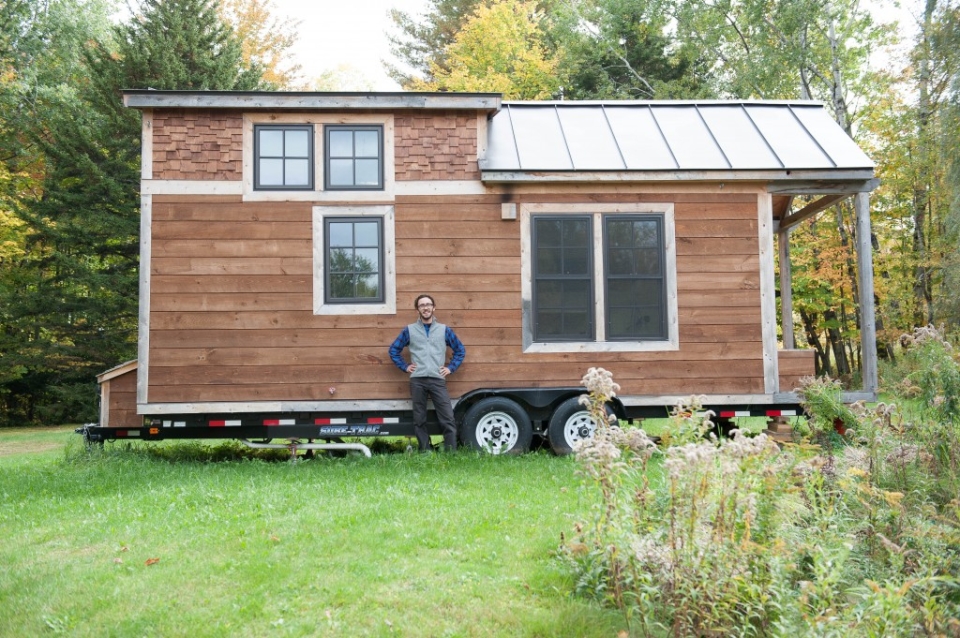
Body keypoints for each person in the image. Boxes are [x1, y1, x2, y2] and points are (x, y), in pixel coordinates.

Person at [388, 294, 466, 452]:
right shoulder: (409, 330)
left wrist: (450, 368)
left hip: (438, 379)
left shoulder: (444, 330)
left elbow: (460, 350)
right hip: (418, 380)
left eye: (428, 304)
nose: (425, 307)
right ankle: (425, 450)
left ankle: (451, 451)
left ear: (433, 308)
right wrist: (405, 367)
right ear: (417, 309)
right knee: (419, 418)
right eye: (422, 305)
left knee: (447, 418)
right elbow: (393, 350)